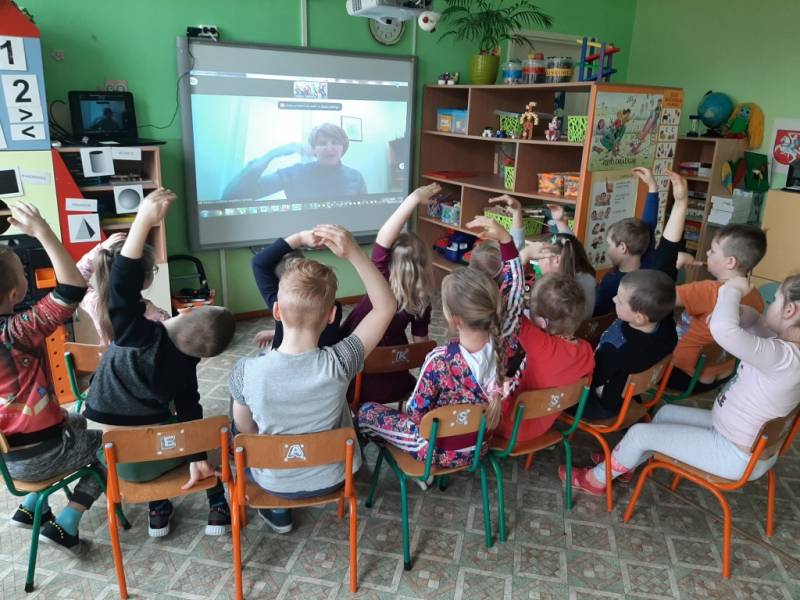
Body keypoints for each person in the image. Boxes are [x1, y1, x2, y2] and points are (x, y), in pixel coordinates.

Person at [83, 188, 237, 539]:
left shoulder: (136, 334)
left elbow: (121, 288)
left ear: (188, 312)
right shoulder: (186, 368)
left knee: (152, 428)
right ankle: (216, 505)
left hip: (110, 457)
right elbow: (189, 409)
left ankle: (158, 509)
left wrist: (143, 222)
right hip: (151, 455)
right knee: (205, 434)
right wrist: (197, 456)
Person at [563, 274, 800, 496]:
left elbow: (724, 331)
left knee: (638, 434)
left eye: (775, 300)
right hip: (735, 434)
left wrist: (731, 290)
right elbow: (754, 319)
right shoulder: (785, 349)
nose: (770, 305)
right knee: (665, 413)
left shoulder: (784, 359)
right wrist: (733, 310)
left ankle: (595, 481)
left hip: (734, 453)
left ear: (790, 310)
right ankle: (626, 462)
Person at [230, 225, 396, 534]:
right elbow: (386, 306)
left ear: (276, 311)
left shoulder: (245, 371)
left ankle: (276, 508)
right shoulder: (341, 362)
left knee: (237, 421)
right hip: (334, 477)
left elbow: (247, 431)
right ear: (332, 316)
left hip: (273, 480)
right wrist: (354, 252)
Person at [357, 216, 524, 470]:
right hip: (480, 442)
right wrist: (506, 240)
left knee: (366, 412)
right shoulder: (507, 341)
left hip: (436, 449)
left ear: (454, 320)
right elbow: (515, 288)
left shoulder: (439, 360)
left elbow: (415, 414)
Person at [0, 202, 102, 556]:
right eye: (23, 273)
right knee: (109, 448)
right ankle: (67, 524)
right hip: (41, 452)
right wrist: (42, 230)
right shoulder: (18, 331)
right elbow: (72, 288)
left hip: (7, 458)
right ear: (15, 294)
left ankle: (31, 506)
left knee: (77, 420)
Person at [341, 183, 437, 406]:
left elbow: (383, 237)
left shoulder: (380, 279)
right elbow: (421, 345)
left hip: (356, 384)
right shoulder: (422, 302)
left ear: (390, 263)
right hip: (395, 381)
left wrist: (413, 199)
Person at [668, 224, 767, 392]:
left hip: (684, 376)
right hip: (723, 375)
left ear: (730, 262)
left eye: (713, 251)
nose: (707, 253)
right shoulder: (756, 295)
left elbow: (655, 297)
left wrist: (675, 264)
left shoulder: (707, 290)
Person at [498, 274, 594, 442]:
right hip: (544, 423)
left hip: (509, 425)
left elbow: (512, 314)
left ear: (543, 322)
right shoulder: (586, 351)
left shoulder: (542, 345)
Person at [582, 269, 678, 420]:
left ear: (639, 318)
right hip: (630, 393)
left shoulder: (616, 348)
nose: (614, 299)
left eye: (620, 300)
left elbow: (594, 379)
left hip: (604, 405)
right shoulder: (669, 329)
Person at [593, 168, 688, 316]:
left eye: (609, 244)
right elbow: (648, 225)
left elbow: (596, 316)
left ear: (623, 247)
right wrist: (652, 187)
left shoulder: (611, 283)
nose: (608, 249)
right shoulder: (648, 261)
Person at [222, 123, 367, 201]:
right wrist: (275, 153)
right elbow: (234, 196)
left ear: (343, 147)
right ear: (313, 149)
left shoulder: (355, 176)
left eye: (335, 142)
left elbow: (363, 214)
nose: (329, 148)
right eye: (322, 143)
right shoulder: (295, 173)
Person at [250, 231, 343, 350]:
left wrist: (300, 238)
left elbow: (259, 263)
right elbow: (311, 328)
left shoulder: (281, 305)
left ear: (277, 311)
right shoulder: (333, 309)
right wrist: (276, 332)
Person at [75, 232, 170, 345]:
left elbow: (76, 278)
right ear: (142, 277)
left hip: (109, 356)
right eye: (153, 268)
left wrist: (101, 247)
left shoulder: (96, 304)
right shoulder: (157, 317)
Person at [521, 231, 597, 319]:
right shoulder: (588, 278)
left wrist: (523, 256)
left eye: (540, 257)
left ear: (557, 260)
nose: (538, 262)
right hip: (581, 327)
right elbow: (570, 242)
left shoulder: (553, 293)